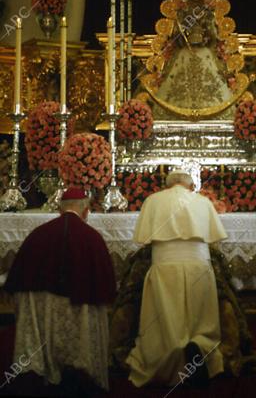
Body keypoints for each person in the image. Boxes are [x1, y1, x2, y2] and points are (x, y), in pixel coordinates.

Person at [4, 187, 116, 395]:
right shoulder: (92, 237)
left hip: (40, 305)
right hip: (78, 305)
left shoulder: (38, 234)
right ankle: (79, 371)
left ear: (59, 210)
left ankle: (43, 370)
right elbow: (104, 282)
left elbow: (20, 275)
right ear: (85, 211)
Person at [125, 169, 228, 387]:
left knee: (166, 315)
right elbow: (215, 239)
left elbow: (143, 240)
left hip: (165, 266)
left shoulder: (153, 201)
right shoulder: (202, 201)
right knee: (200, 315)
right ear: (191, 186)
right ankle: (201, 346)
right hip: (198, 266)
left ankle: (168, 353)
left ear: (167, 186)